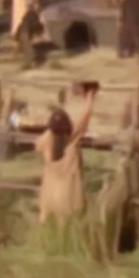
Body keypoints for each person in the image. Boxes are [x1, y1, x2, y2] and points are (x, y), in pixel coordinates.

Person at [36, 85, 98, 248]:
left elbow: (43, 139)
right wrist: (90, 96)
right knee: (70, 238)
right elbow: (84, 117)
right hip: (69, 199)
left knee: (47, 235)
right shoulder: (71, 145)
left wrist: (52, 128)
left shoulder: (44, 145)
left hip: (49, 200)